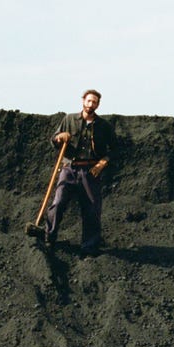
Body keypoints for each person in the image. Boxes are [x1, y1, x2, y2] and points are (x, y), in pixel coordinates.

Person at [42, 89, 117, 256]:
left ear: (98, 104)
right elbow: (53, 140)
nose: (91, 105)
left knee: (91, 208)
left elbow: (115, 148)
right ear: (83, 100)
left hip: (90, 171)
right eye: (89, 101)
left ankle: (89, 247)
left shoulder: (103, 126)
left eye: (95, 102)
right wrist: (59, 137)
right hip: (69, 168)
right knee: (58, 202)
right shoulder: (69, 120)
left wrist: (103, 162)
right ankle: (49, 238)